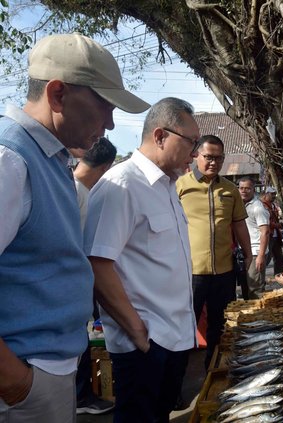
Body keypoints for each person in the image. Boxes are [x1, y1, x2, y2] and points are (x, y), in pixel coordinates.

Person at [0, 33, 149, 423]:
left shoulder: (49, 160)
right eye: (104, 106)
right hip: (22, 379)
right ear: (58, 95)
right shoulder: (9, 160)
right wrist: (17, 383)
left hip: (44, 370)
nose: (112, 123)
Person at [84, 97, 199, 423]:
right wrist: (137, 332)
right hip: (146, 343)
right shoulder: (121, 185)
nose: (194, 151)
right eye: (191, 142)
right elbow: (97, 263)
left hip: (175, 335)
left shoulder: (167, 187)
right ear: (160, 135)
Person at [177, 135, 252, 370]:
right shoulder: (180, 186)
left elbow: (239, 224)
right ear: (196, 155)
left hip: (224, 271)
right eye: (208, 157)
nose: (213, 162)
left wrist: (249, 254)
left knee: (219, 325)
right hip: (191, 271)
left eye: (218, 158)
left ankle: (214, 370)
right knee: (184, 326)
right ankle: (176, 385)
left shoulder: (230, 190)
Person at [73, 137, 117, 415]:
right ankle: (81, 397)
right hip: (76, 283)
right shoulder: (76, 191)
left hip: (81, 281)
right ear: (106, 166)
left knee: (84, 339)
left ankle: (82, 393)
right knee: (79, 341)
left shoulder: (79, 189)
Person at [239, 177, 270, 299]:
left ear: (253, 189)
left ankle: (259, 316)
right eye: (241, 188)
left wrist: (261, 256)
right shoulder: (241, 205)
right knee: (246, 287)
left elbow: (265, 232)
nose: (244, 191)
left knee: (255, 289)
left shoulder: (258, 207)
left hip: (256, 253)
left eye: (247, 188)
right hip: (245, 252)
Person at [261, 186, 283, 275]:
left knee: (279, 259)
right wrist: (278, 225)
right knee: (266, 259)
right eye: (272, 194)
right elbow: (265, 222)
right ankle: (260, 280)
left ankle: (279, 277)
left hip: (276, 235)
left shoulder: (273, 205)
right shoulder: (262, 205)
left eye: (275, 194)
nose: (274, 196)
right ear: (266, 193)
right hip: (268, 235)